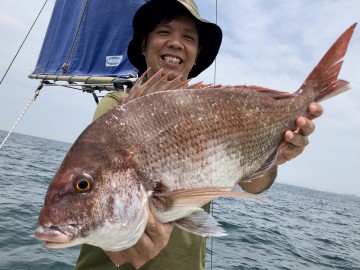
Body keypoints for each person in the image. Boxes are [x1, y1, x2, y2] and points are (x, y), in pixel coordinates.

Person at [75, 0, 323, 269]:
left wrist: (273, 156)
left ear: (196, 53)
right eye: (163, 32)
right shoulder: (117, 107)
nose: (175, 42)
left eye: (188, 37)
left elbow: (254, 184)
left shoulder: (214, 113)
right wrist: (121, 245)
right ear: (144, 45)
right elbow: (99, 190)